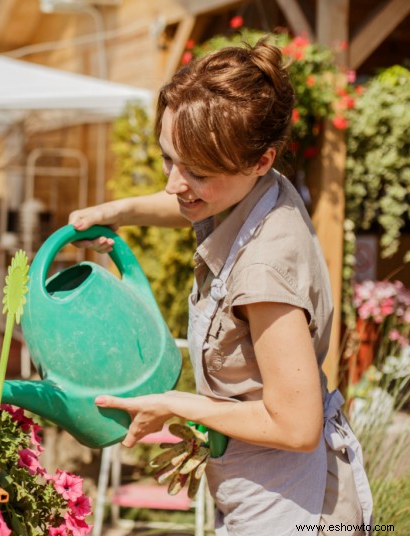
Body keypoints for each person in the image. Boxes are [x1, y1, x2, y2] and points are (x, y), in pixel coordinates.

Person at [68, 38, 373, 536]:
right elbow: (192, 200)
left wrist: (176, 404)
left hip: (292, 505)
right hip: (257, 490)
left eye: (197, 172)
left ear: (260, 160)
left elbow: (296, 427)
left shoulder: (265, 270)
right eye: (169, 159)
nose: (174, 184)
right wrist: (114, 212)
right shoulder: (252, 188)